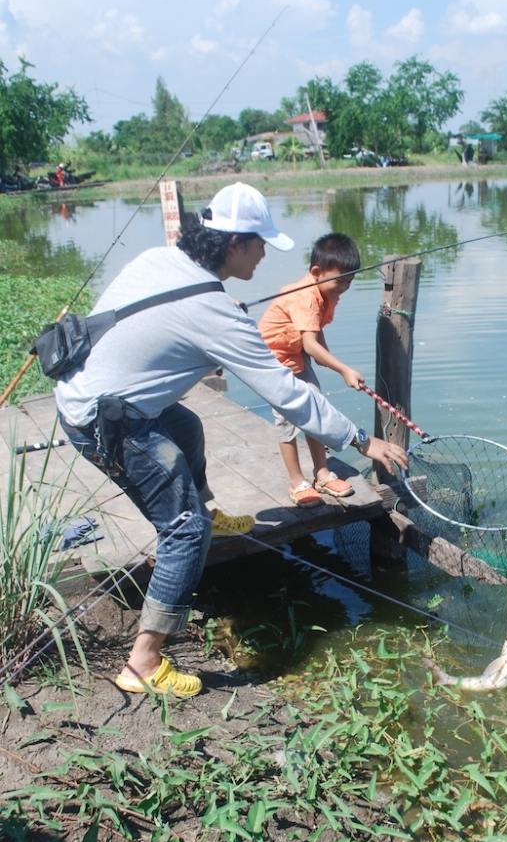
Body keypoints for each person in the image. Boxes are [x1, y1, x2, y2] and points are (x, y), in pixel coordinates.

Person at [55, 181, 407, 699]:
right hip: (106, 421)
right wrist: (360, 440)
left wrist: (216, 324)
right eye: (261, 243)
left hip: (87, 397)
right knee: (183, 530)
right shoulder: (213, 312)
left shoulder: (161, 262)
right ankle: (143, 662)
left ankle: (208, 518)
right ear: (235, 243)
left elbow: (165, 323)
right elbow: (285, 392)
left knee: (187, 426)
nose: (265, 254)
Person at [258, 233, 364, 507]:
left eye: (350, 282)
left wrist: (323, 358)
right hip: (273, 363)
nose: (344, 288)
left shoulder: (326, 291)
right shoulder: (305, 297)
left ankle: (322, 474)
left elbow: (314, 335)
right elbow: (310, 343)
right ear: (317, 272)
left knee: (315, 408)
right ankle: (297, 482)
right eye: (340, 281)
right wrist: (343, 369)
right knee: (286, 422)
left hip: (297, 355)